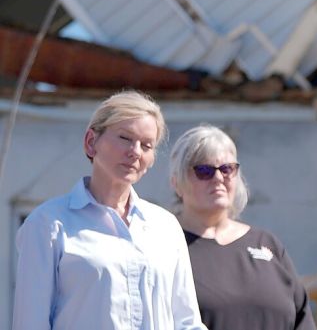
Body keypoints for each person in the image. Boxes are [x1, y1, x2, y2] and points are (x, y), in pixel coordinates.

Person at [13, 90, 206, 329]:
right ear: (91, 142)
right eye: (125, 138)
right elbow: (30, 324)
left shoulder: (166, 226)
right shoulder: (47, 223)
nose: (135, 151)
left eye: (146, 145)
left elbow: (187, 322)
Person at [169, 124, 316, 330]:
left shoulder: (266, 244)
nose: (218, 178)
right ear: (176, 183)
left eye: (227, 169)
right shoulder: (165, 245)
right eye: (204, 171)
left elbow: (302, 319)